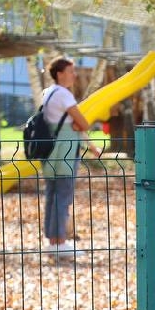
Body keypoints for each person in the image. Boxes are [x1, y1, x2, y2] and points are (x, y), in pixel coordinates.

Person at [40, 56, 103, 260]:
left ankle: (52, 240)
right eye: (71, 71)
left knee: (52, 195)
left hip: (50, 153)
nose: (74, 75)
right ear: (60, 74)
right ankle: (60, 242)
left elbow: (75, 125)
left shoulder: (48, 93)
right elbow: (83, 123)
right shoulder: (64, 95)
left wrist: (88, 142)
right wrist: (78, 125)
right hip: (65, 154)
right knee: (63, 196)